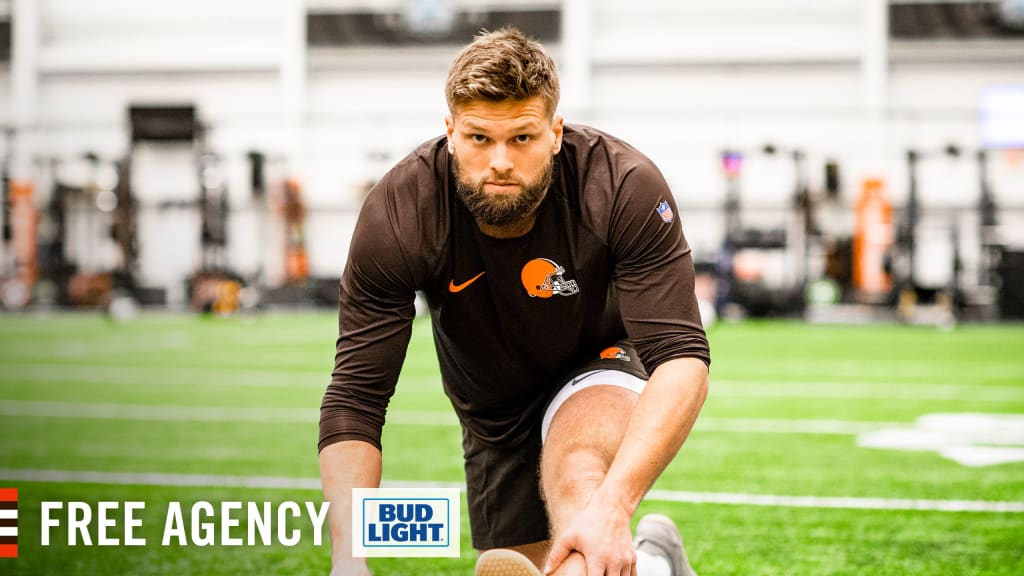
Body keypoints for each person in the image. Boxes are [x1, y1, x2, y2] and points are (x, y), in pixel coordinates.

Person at [319, 27, 710, 576]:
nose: (500, 161)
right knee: (530, 565)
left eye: (522, 139)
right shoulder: (399, 214)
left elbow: (683, 357)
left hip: (600, 360)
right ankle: (655, 563)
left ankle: (629, 540)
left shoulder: (621, 184)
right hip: (492, 409)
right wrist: (348, 559)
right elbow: (356, 397)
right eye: (480, 139)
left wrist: (614, 506)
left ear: (555, 131)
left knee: (578, 478)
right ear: (450, 131)